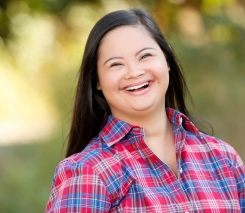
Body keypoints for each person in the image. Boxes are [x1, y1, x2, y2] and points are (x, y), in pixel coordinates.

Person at [45, 7, 245, 212]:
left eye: (145, 56)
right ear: (97, 80)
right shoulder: (88, 173)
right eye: (116, 64)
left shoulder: (223, 159)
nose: (134, 72)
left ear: (167, 59)